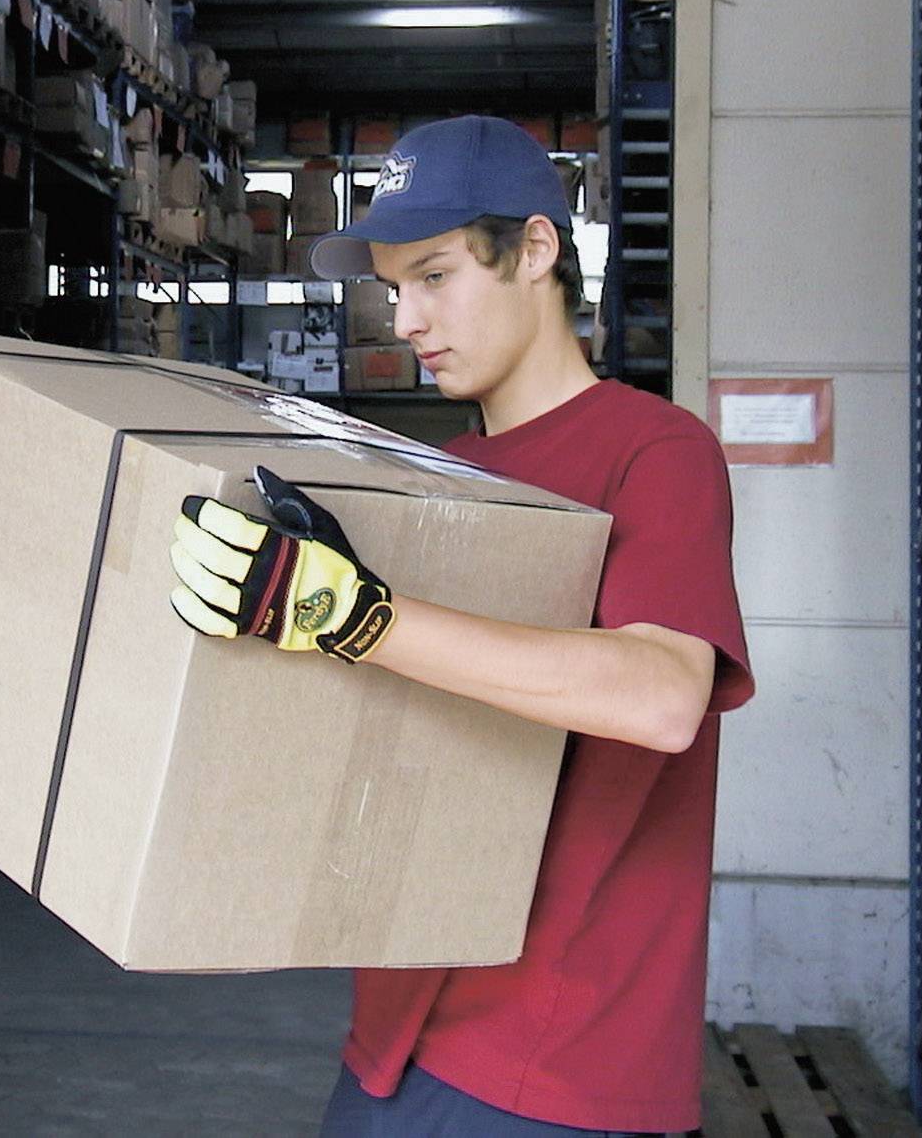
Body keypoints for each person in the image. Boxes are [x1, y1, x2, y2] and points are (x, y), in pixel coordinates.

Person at [167, 116, 754, 1138]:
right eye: (393, 287)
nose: (405, 318)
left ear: (534, 250)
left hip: (560, 1059)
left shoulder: (654, 452)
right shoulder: (444, 480)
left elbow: (662, 697)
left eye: (434, 276)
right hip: (396, 1028)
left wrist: (351, 613)